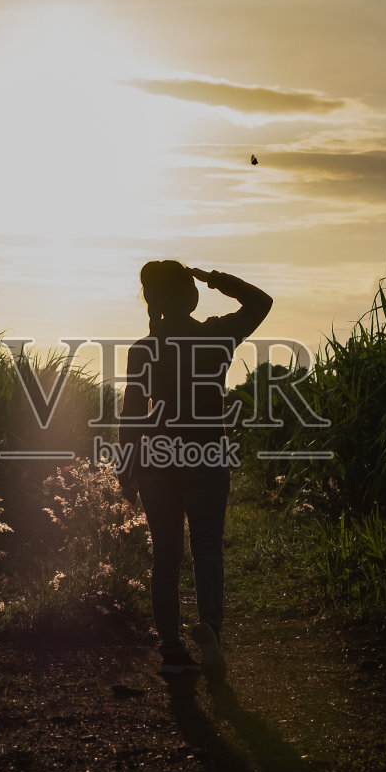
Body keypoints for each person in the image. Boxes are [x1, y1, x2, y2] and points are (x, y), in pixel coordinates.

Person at [117, 261, 271, 680]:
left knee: (165, 555)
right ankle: (211, 631)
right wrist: (212, 277)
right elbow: (261, 301)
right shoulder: (216, 335)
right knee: (207, 548)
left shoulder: (143, 349)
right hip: (206, 454)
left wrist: (125, 470)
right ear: (190, 295)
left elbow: (132, 415)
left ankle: (171, 650)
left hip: (156, 458)